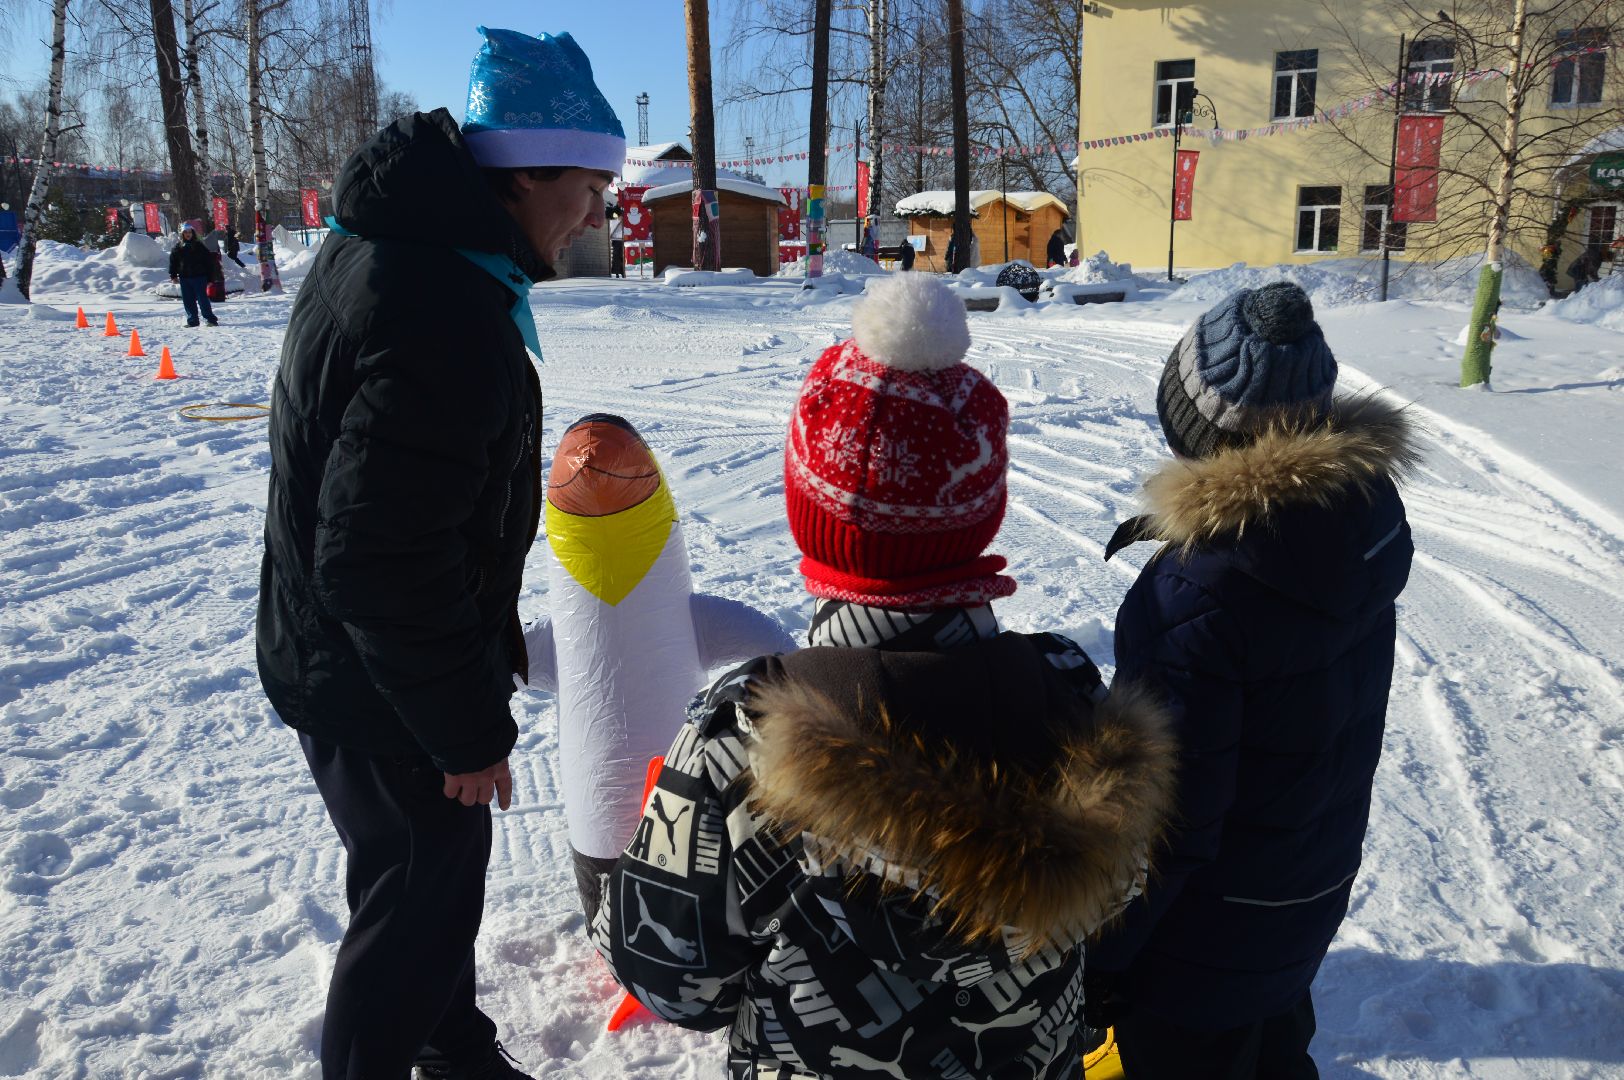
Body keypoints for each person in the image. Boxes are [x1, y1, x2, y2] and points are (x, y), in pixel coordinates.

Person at [588, 273, 1177, 1079]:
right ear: (981, 510)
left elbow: (673, 980)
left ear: (813, 514)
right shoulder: (1074, 697)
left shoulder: (748, 733)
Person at [255, 27, 623, 1080]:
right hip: (377, 676)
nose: (596, 212)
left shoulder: (406, 242)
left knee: (416, 874)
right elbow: (379, 557)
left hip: (345, 655)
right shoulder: (443, 309)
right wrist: (464, 730)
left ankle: (450, 1044)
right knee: (421, 877)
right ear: (521, 177)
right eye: (588, 186)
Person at [1092, 282, 1417, 1079]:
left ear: (1193, 423)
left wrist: (1100, 961)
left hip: (1200, 947)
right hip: (1303, 893)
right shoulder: (1361, 513)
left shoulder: (1197, 598)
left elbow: (1168, 830)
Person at [168, 222, 219, 326]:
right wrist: (173, 275)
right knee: (188, 300)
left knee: (202, 300)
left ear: (193, 233)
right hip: (184, 278)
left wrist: (210, 279)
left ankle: (211, 320)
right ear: (182, 234)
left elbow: (209, 263)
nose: (188, 234)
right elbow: (173, 263)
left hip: (199, 277)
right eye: (186, 232)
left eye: (190, 232)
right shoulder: (178, 248)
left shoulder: (199, 246)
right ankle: (193, 321)